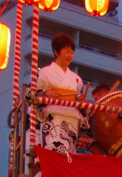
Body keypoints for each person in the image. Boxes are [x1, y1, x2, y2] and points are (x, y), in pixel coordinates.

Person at [35, 33, 90, 168]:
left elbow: (80, 101)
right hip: (53, 117)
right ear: (56, 51)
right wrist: (46, 93)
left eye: (71, 52)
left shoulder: (76, 79)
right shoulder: (45, 72)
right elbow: (36, 94)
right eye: (66, 51)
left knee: (69, 156)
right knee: (53, 153)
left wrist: (82, 102)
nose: (69, 55)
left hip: (71, 119)